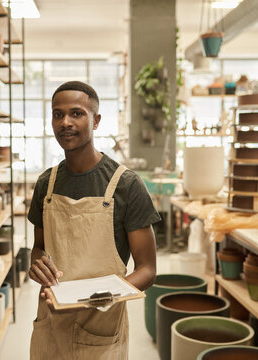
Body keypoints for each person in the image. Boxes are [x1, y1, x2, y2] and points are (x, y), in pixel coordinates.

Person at [28, 81, 160, 359]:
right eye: (57, 114)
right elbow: (39, 247)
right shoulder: (46, 184)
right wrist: (37, 265)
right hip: (51, 317)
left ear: (96, 120)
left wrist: (98, 296)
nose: (65, 122)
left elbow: (147, 269)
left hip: (101, 323)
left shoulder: (126, 185)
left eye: (77, 113)